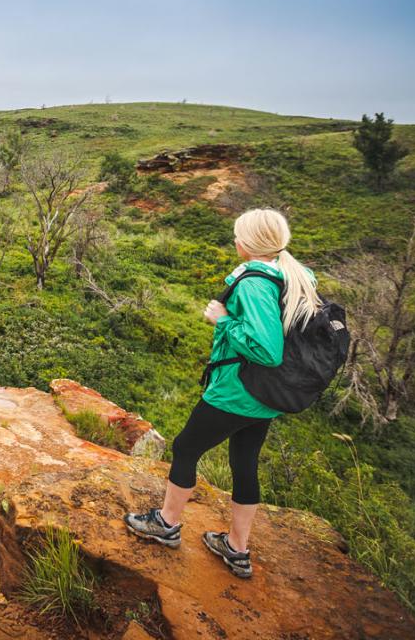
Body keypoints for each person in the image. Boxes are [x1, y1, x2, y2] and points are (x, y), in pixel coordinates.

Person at [124, 208, 319, 578]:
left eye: (237, 235)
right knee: (244, 462)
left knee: (185, 448)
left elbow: (267, 350)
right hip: (266, 397)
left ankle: (166, 525)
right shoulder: (293, 274)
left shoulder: (254, 283)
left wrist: (223, 320)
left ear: (246, 244)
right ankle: (236, 549)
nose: (234, 240)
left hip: (238, 390)